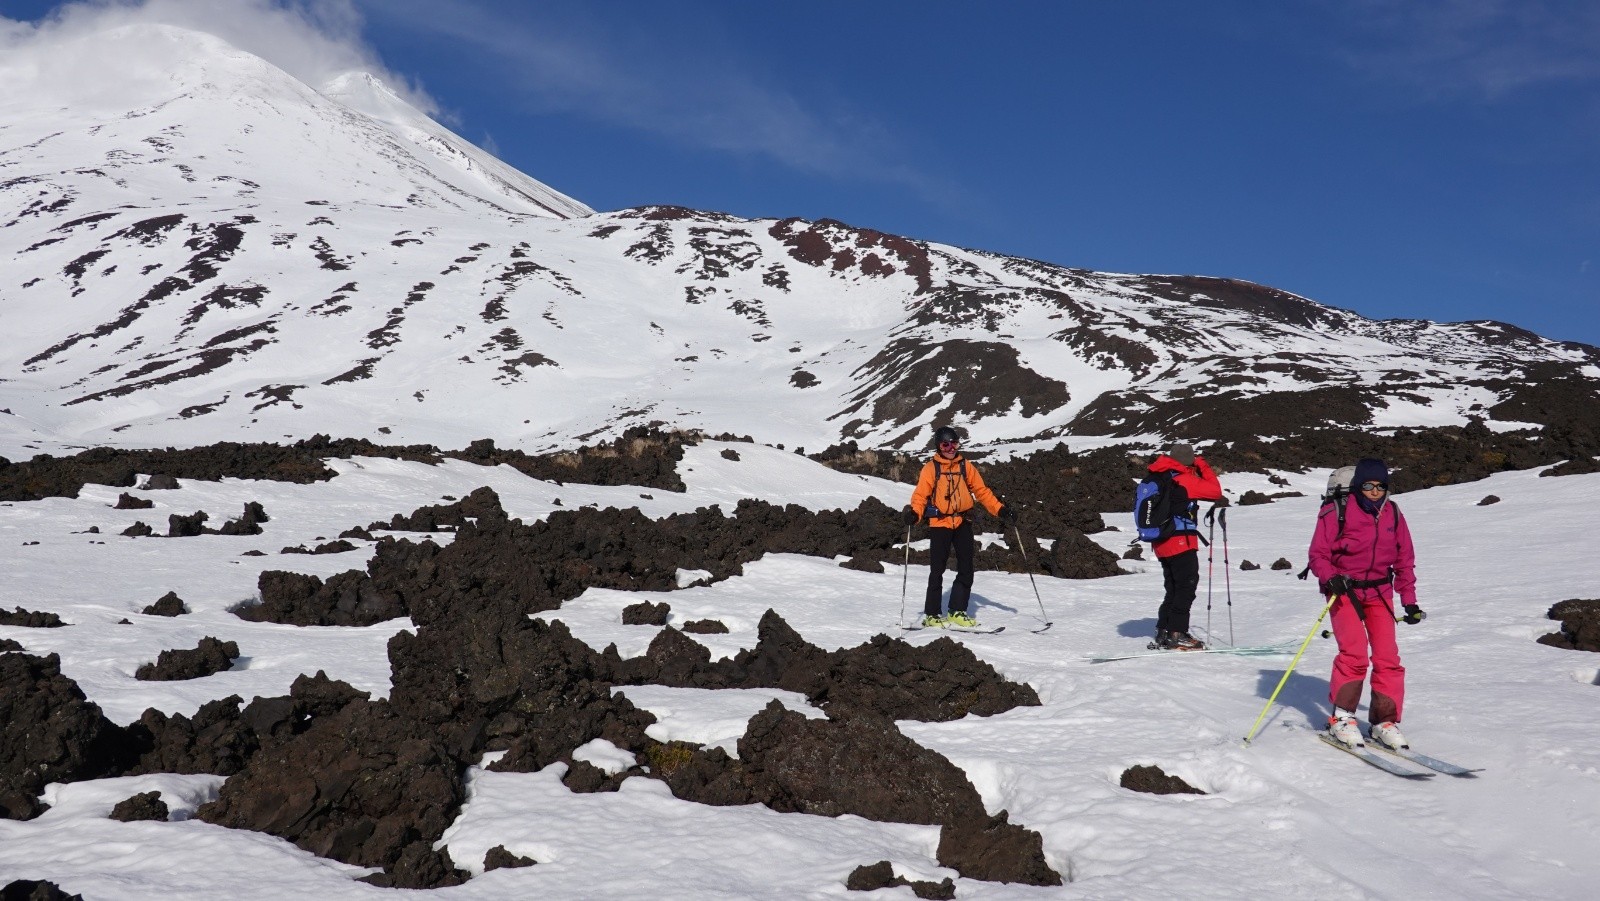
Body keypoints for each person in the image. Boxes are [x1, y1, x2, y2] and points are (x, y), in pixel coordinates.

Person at [1306, 458, 1423, 750]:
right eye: (1368, 485)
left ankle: (1384, 721)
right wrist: (1331, 578)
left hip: (1380, 593)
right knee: (1355, 655)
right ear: (1358, 486)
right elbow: (1318, 555)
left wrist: (1409, 601)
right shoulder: (1336, 512)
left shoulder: (1393, 513)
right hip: (1344, 591)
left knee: (1387, 658)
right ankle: (1342, 718)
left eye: (1381, 486)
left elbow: (1404, 560)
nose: (1374, 491)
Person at [903, 426, 1013, 628]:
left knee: (966, 568)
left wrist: (1000, 510)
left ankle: (957, 610)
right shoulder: (930, 469)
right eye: (946, 444)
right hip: (940, 524)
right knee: (937, 570)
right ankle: (932, 614)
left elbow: (982, 491)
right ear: (938, 446)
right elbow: (920, 496)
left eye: (954, 443)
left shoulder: (965, 466)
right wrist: (915, 514)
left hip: (963, 522)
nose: (951, 448)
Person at [1147, 443, 1223, 650]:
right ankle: (1177, 634)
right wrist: (1202, 464)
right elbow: (1215, 492)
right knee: (1186, 587)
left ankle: (1163, 630)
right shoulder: (1184, 480)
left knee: (1172, 587)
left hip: (1161, 541)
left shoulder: (1159, 475)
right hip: (1180, 541)